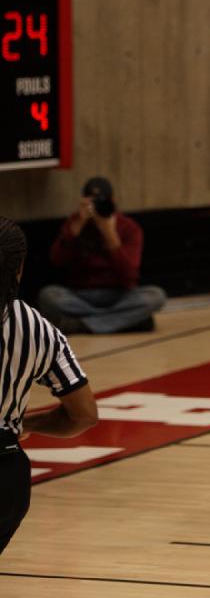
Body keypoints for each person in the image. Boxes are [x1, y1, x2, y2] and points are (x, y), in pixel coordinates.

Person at [0, 217, 98, 554]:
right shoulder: (38, 328)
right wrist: (27, 425)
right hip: (7, 476)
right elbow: (84, 415)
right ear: (19, 269)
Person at [38, 176, 166, 335]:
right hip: (81, 295)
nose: (98, 207)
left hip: (120, 294)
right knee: (48, 296)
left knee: (155, 296)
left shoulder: (128, 227)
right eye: (93, 202)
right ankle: (127, 321)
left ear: (113, 201)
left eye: (102, 202)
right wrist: (76, 228)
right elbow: (57, 260)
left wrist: (109, 233)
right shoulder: (75, 222)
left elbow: (130, 273)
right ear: (84, 202)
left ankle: (82, 324)